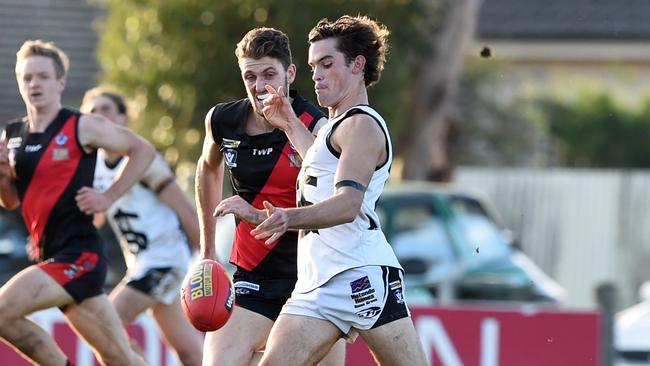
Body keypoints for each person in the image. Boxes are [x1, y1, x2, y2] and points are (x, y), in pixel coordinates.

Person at [240, 15, 429, 365]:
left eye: (327, 64)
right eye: (313, 66)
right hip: (317, 282)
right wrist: (289, 123)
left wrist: (288, 218)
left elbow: (346, 204)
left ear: (357, 65)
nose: (316, 75)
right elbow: (322, 166)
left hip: (360, 275)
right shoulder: (335, 126)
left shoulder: (362, 124)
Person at [195, 27, 345, 366]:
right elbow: (207, 169)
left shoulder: (317, 126)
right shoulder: (223, 121)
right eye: (250, 75)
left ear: (290, 74)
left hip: (314, 280)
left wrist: (255, 215)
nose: (260, 85)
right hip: (253, 278)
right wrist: (206, 251)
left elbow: (336, 203)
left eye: (269, 74)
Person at [0, 40, 154, 366]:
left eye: (42, 76)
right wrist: (1, 176)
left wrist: (108, 196)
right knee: (120, 358)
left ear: (61, 82)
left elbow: (143, 151)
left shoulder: (80, 126)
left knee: (2, 312)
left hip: (78, 256)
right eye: (27, 77)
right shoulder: (12, 135)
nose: (34, 84)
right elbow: (11, 201)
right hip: (51, 256)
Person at [80, 87, 204, 366]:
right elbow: (97, 218)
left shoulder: (142, 159)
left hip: (165, 261)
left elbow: (184, 209)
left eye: (106, 110)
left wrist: (211, 259)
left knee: (103, 325)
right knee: (190, 353)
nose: (98, 117)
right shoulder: (94, 166)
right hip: (140, 264)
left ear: (124, 119)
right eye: (92, 112)